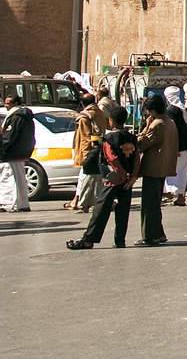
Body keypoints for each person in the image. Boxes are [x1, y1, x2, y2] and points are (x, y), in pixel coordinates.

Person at [67, 106, 139, 250]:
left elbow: (111, 157)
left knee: (101, 209)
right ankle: (120, 240)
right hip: (127, 181)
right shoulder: (131, 137)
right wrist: (132, 177)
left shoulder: (109, 138)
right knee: (123, 210)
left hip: (112, 179)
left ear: (111, 120)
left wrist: (120, 173)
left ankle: (89, 239)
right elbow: (137, 158)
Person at [136, 94, 178, 246]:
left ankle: (149, 236)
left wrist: (145, 127)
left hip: (154, 167)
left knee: (149, 205)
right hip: (163, 167)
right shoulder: (170, 122)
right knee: (154, 203)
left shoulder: (157, 124)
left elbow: (142, 143)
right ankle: (158, 233)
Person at [69, 92, 111, 213]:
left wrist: (86, 156)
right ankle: (87, 202)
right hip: (99, 148)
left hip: (89, 151)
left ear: (82, 103)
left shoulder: (84, 117)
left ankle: (83, 203)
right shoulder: (100, 113)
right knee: (95, 178)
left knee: (86, 178)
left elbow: (85, 138)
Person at [0, 93, 35, 213]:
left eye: (8, 103)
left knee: (9, 178)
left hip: (11, 153)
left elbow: (9, 136)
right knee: (19, 179)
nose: (6, 105)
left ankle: (10, 204)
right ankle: (22, 203)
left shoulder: (16, 117)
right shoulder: (24, 116)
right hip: (20, 152)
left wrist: (2, 148)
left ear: (15, 103)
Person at [161, 85, 187, 206]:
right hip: (185, 146)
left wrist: (174, 147)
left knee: (171, 171)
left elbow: (173, 130)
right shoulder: (183, 108)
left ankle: (170, 193)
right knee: (182, 172)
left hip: (177, 146)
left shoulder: (171, 111)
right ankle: (180, 197)